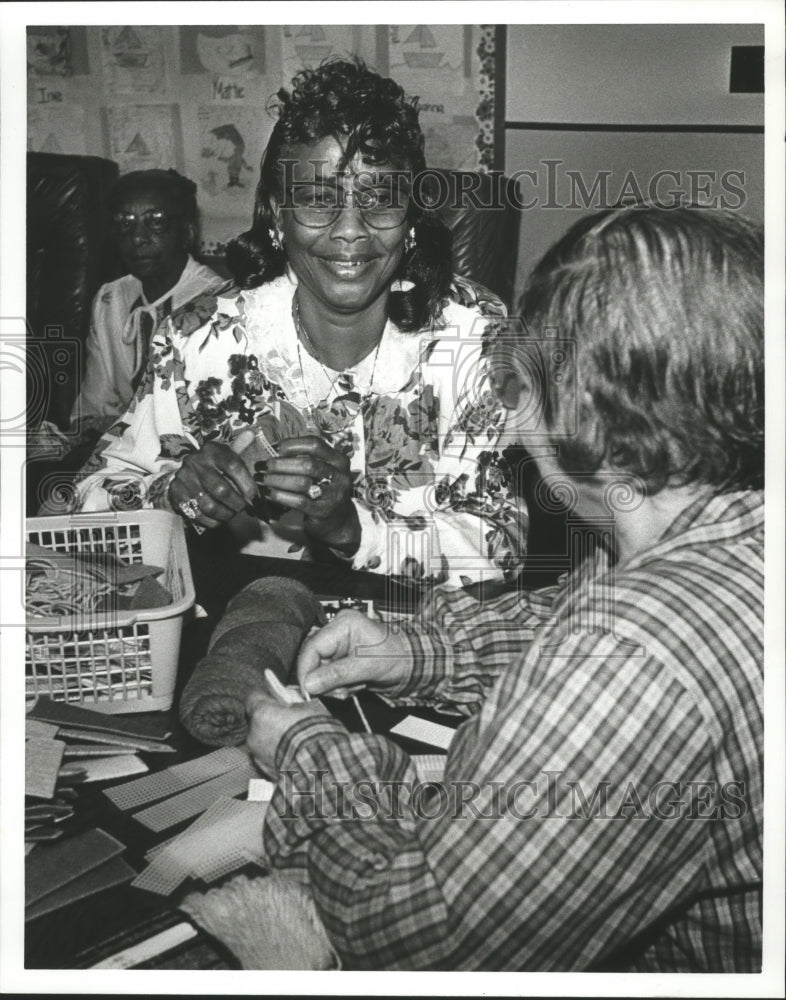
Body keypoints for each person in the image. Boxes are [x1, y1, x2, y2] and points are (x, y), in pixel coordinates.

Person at [244, 206, 764, 971]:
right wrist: (418, 651)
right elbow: (574, 621)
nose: (519, 431)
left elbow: (421, 942)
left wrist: (313, 756)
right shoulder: (713, 531)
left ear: (598, 415)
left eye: (529, 393)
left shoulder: (634, 654)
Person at [70, 59, 524, 588]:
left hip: (417, 637)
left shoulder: (475, 337)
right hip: (240, 623)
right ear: (277, 215)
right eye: (316, 199)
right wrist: (171, 494)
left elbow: (501, 549)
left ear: (413, 219)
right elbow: (83, 504)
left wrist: (352, 528)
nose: (352, 230)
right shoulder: (198, 341)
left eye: (379, 198)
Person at [71, 168, 224, 432]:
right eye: (125, 224)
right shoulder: (110, 299)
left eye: (156, 222)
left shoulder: (219, 304)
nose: (138, 238)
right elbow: (93, 409)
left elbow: (209, 426)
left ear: (187, 232)